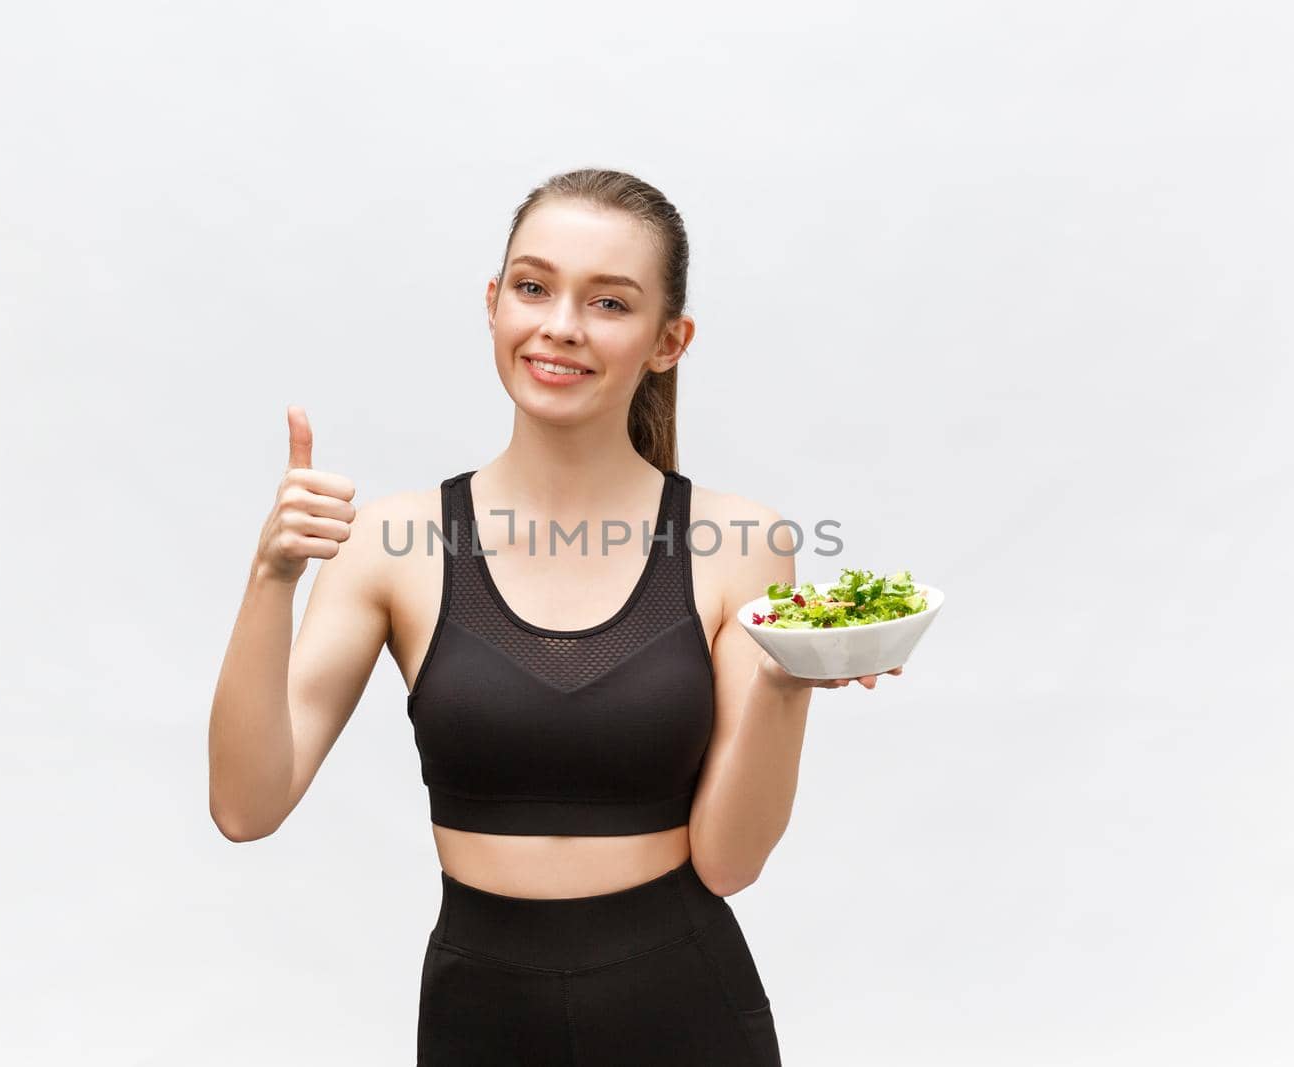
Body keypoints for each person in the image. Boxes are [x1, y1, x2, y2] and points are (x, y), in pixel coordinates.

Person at [208, 167, 902, 1065]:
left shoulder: (741, 541)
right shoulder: (391, 541)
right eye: (533, 288)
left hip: (684, 1009)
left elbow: (729, 862)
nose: (561, 325)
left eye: (610, 302)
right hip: (478, 1017)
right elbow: (244, 805)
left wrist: (784, 675)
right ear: (494, 303)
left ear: (669, 340)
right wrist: (271, 576)